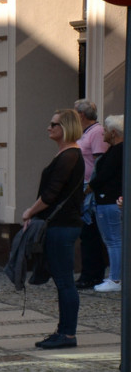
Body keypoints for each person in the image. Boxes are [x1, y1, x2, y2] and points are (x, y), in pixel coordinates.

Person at [21, 109, 85, 350]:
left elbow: (50, 195)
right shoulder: (67, 154)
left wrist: (30, 211)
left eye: (54, 124)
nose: (49, 127)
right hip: (62, 225)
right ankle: (64, 331)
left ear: (65, 128)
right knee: (63, 281)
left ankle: (67, 334)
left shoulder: (69, 156)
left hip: (62, 227)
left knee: (65, 282)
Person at [74, 99, 109, 289]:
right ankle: (89, 272)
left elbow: (99, 162)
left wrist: (92, 186)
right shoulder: (86, 132)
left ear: (82, 115)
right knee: (86, 233)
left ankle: (92, 274)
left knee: (90, 232)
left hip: (90, 189)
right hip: (83, 187)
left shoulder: (96, 132)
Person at [90, 115, 123, 292]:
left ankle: (116, 279)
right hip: (109, 200)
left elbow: (102, 176)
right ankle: (116, 276)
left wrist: (91, 186)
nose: (102, 133)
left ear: (113, 133)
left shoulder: (117, 152)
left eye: (104, 130)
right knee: (114, 240)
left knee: (113, 241)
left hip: (109, 200)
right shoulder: (116, 150)